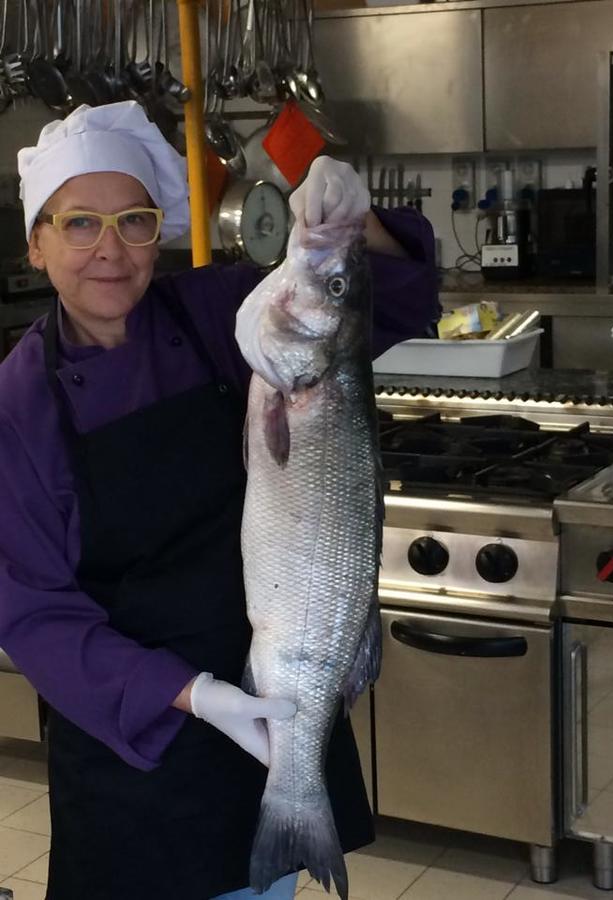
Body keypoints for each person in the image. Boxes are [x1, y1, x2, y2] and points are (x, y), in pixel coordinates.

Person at [0, 101, 438, 900]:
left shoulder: (221, 314)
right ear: (36, 241)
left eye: (133, 221)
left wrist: (348, 224)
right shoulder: (18, 405)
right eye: (79, 224)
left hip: (279, 705)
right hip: (137, 735)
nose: (110, 250)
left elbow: (390, 303)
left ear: (158, 231)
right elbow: (33, 613)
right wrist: (197, 696)